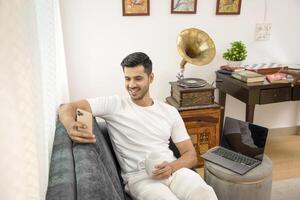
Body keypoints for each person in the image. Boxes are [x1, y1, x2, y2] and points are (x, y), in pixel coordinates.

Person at [58, 52, 217, 200]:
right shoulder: (114, 105)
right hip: (140, 178)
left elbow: (190, 155)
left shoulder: (169, 111)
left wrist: (172, 166)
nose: (131, 85)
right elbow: (67, 108)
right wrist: (70, 125)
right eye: (127, 79)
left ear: (151, 77)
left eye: (138, 78)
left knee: (204, 192)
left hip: (174, 171)